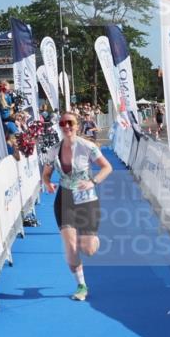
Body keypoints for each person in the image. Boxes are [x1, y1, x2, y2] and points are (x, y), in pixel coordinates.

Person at [42, 111, 112, 301]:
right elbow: (46, 174)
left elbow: (107, 167)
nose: (66, 127)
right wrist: (47, 183)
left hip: (86, 198)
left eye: (70, 123)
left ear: (77, 125)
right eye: (63, 123)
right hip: (64, 199)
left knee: (88, 249)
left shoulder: (87, 147)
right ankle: (81, 285)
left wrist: (93, 181)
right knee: (71, 247)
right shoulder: (53, 150)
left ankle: (93, 239)